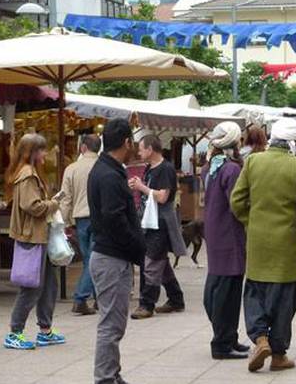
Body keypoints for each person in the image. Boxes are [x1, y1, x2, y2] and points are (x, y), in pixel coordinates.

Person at [230, 118, 296, 373]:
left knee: (255, 292)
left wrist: (252, 222)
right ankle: (279, 354)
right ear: (293, 142)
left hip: (257, 241)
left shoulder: (253, 162)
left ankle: (260, 339)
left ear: (272, 138)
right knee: (285, 298)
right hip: (287, 242)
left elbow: (237, 201)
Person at [88, 118, 146, 384]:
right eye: (132, 140)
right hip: (111, 257)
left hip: (111, 255)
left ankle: (112, 374)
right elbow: (114, 219)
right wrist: (136, 245)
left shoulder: (106, 169)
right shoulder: (109, 175)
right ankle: (105, 378)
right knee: (110, 325)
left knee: (114, 323)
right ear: (126, 142)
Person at [3, 133, 66, 350]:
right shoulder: (28, 174)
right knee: (32, 286)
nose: (45, 154)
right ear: (33, 153)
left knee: (49, 284)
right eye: (42, 150)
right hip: (33, 236)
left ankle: (45, 330)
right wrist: (53, 204)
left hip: (40, 236)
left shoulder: (28, 172)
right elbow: (32, 206)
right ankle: (15, 332)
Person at [201, 121, 249, 360]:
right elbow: (237, 204)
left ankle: (229, 337)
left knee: (218, 285)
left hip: (214, 231)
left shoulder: (209, 166)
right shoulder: (231, 170)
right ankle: (222, 342)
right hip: (230, 233)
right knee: (227, 292)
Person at [129, 135, 187, 320]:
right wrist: (140, 185)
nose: (139, 152)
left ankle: (147, 303)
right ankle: (176, 299)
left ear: (150, 149)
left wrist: (141, 187)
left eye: (141, 148)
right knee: (161, 263)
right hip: (149, 222)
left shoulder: (166, 168)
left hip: (160, 223)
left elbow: (162, 196)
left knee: (152, 263)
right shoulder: (149, 168)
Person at [60, 134, 101, 316]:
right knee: (94, 259)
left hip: (80, 219)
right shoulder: (104, 166)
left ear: (83, 147)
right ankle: (82, 297)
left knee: (88, 259)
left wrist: (64, 221)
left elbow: (65, 198)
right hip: (100, 218)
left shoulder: (72, 169)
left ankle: (87, 297)